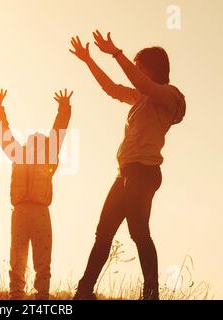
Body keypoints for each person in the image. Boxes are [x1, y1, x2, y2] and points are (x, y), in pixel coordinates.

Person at [70, 30, 186, 300]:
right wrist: (89, 60)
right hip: (124, 172)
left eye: (140, 67)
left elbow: (144, 85)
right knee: (103, 232)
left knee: (139, 232)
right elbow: (112, 89)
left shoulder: (168, 96)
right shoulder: (141, 99)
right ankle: (84, 291)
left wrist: (116, 54)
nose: (135, 72)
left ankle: (151, 293)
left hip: (144, 172)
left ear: (155, 69)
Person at [0, 88, 73, 300]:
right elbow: (4, 135)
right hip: (20, 212)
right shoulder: (18, 155)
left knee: (42, 258)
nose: (35, 141)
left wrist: (64, 108)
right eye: (32, 140)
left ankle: (41, 298)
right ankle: (16, 296)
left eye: (39, 141)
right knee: (17, 258)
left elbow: (58, 131)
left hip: (39, 212)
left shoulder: (48, 156)